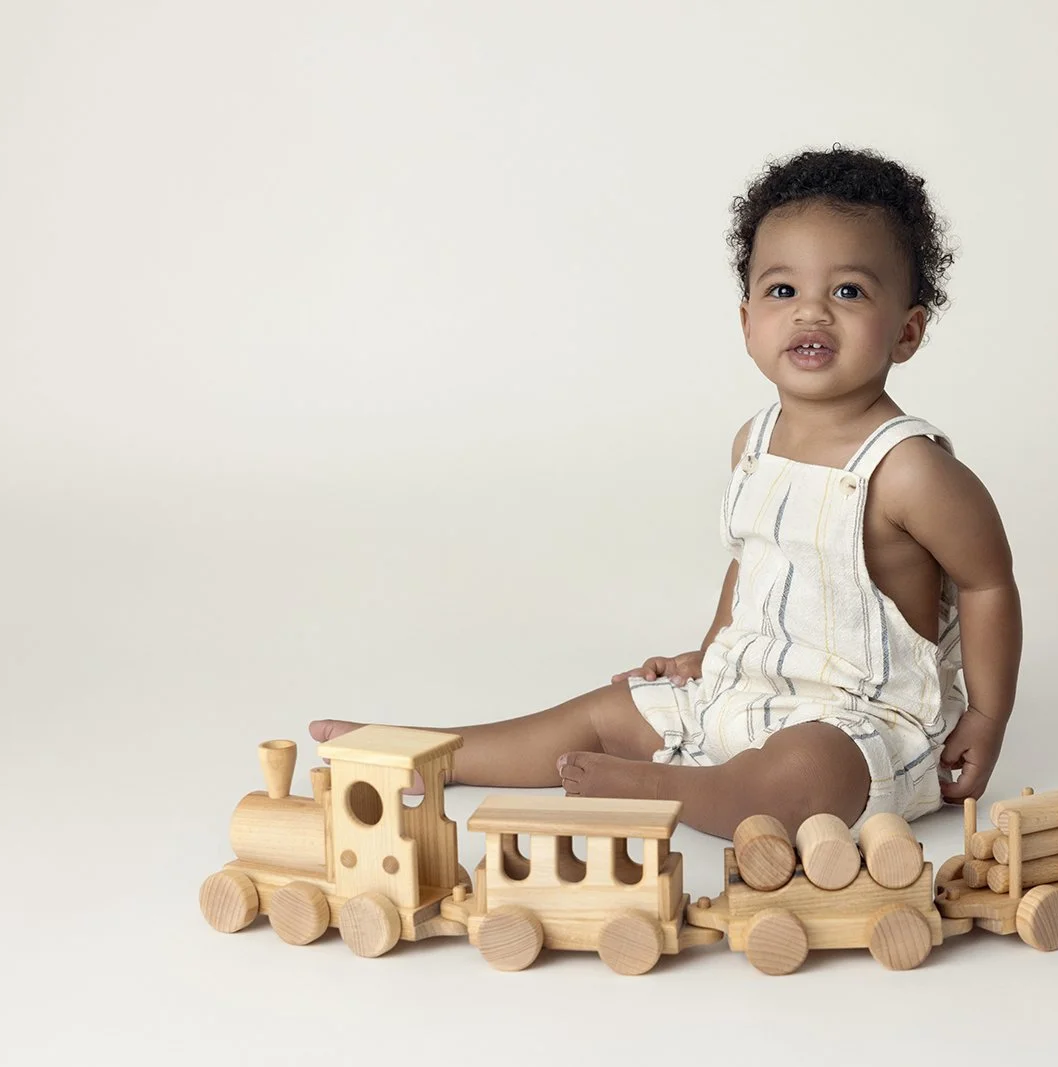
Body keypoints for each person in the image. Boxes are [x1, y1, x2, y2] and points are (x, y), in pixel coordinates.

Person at [311, 145, 1021, 841]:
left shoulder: (907, 469)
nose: (812, 313)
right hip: (744, 690)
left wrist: (985, 717)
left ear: (907, 330)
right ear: (747, 322)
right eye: (783, 291)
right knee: (605, 711)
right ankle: (439, 750)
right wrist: (710, 653)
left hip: (857, 718)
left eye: (848, 291)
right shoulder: (755, 439)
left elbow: (987, 583)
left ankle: (681, 792)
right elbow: (756, 564)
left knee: (811, 772)